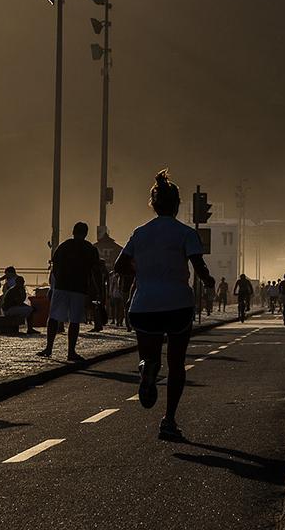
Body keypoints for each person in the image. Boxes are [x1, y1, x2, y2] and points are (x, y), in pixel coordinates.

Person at [114, 169, 214, 441]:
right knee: (176, 364)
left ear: (154, 204)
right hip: (177, 304)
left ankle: (146, 367)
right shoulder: (185, 233)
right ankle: (169, 419)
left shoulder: (140, 233)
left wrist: (143, 270)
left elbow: (119, 265)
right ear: (177, 205)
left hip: (144, 304)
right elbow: (199, 265)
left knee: (151, 355)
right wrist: (208, 281)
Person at [38, 222, 99, 361]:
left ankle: (48, 348)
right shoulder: (89, 249)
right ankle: (71, 352)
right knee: (74, 320)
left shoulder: (64, 246)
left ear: (73, 231)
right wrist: (96, 291)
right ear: (85, 233)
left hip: (61, 286)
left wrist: (53, 287)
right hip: (79, 289)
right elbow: (94, 272)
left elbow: (55, 269)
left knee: (53, 317)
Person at [0, 266, 39, 334]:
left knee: (29, 309)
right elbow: (18, 302)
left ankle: (29, 328)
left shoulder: (13, 286)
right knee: (30, 310)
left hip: (10, 308)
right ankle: (30, 328)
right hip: (9, 309)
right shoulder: (15, 289)